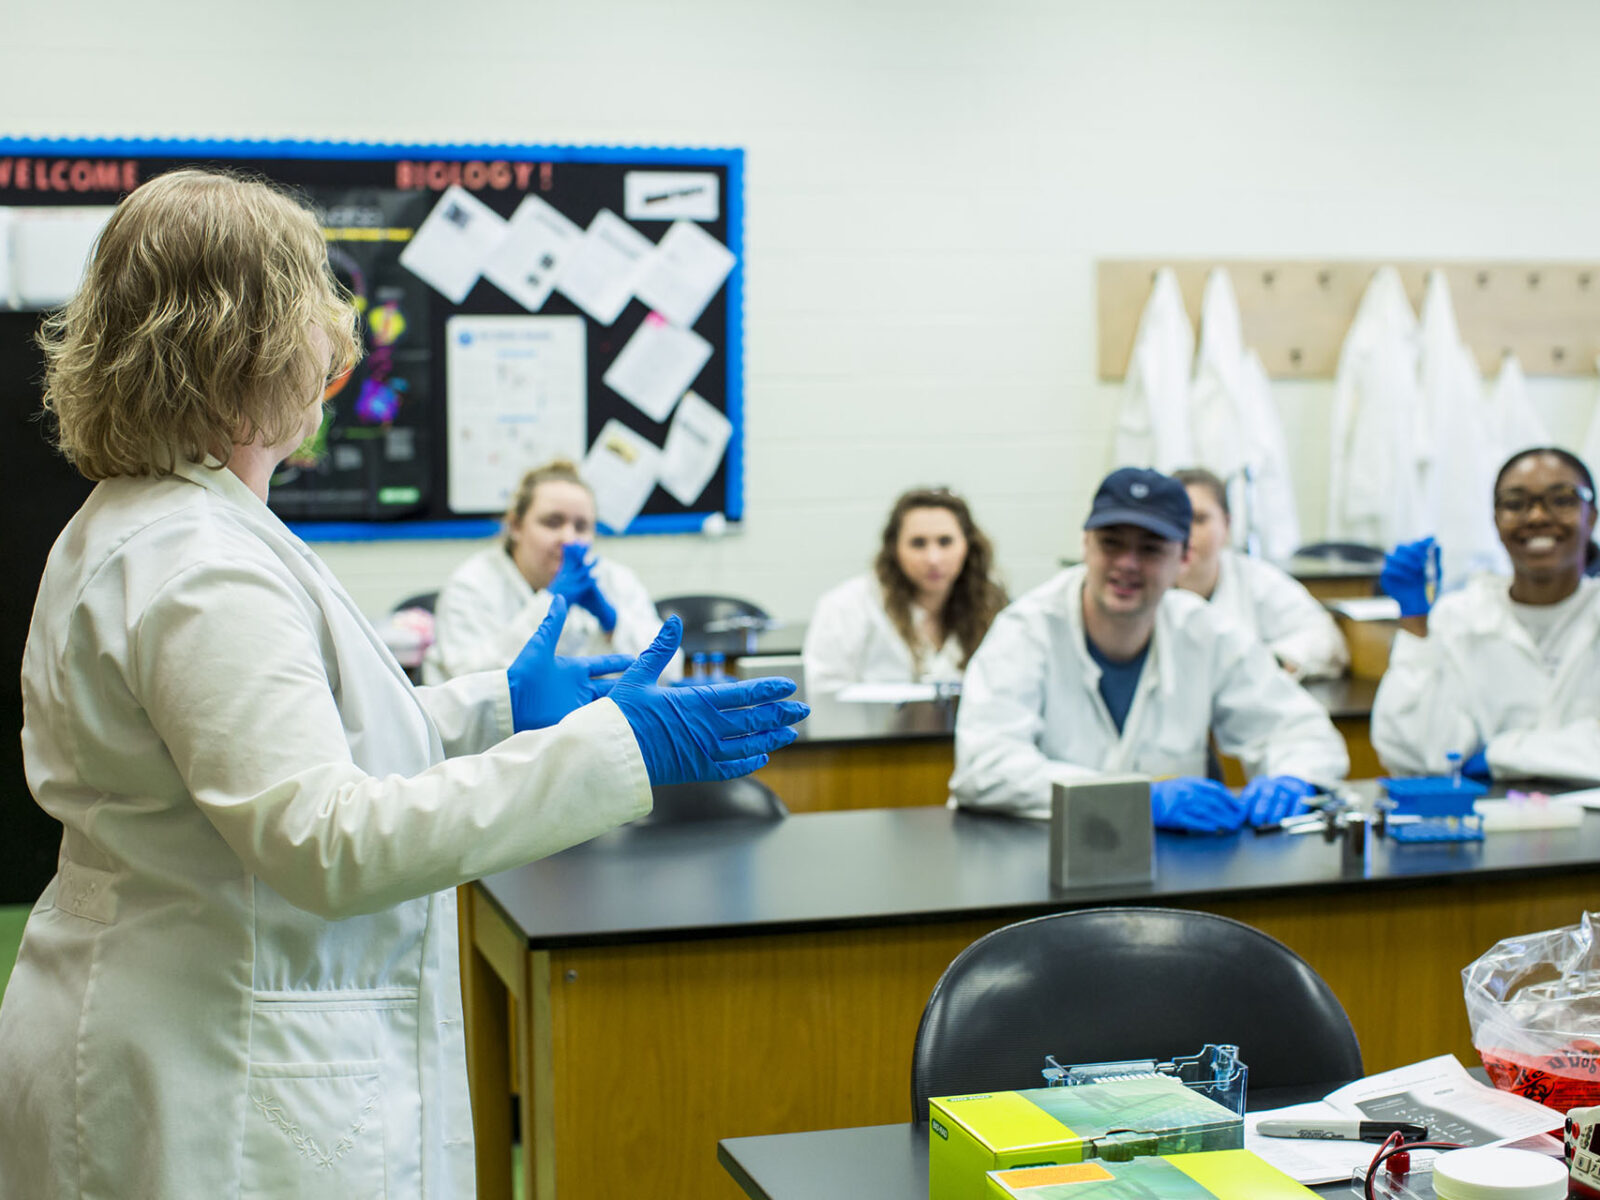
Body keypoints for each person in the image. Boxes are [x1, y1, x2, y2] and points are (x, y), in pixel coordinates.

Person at [0, 169, 806, 1199]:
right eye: (315, 317)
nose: (336, 353)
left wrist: (496, 708)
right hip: (208, 1067)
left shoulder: (171, 525)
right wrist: (614, 753)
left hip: (186, 1019)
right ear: (253, 344)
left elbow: (280, 745)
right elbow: (327, 837)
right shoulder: (197, 560)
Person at [950, 467, 1348, 830]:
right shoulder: (1026, 630)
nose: (1127, 563)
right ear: (1085, 544)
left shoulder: (1206, 632)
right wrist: (1136, 799)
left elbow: (1301, 732)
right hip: (1035, 858)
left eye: (1150, 549)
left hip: (1168, 870)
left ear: (1184, 558)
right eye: (1111, 544)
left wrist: (1295, 776)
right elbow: (985, 766)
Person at [1372, 447, 1600, 783]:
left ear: (1591, 516)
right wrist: (1415, 626)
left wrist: (1498, 754)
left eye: (1562, 499)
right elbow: (1414, 753)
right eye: (1515, 503)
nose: (1537, 516)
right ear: (1495, 520)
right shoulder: (1459, 618)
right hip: (1488, 824)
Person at [424, 458, 679, 683]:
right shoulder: (471, 586)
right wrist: (549, 606)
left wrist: (612, 622)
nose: (569, 538)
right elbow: (469, 687)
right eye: (552, 522)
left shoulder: (614, 580)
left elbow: (672, 670)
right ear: (515, 526)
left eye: (581, 526)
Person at [803, 486, 1007, 693]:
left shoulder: (989, 602)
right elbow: (825, 694)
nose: (933, 559)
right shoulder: (848, 605)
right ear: (895, 548)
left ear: (967, 545)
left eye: (945, 542)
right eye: (918, 543)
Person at [1172, 467, 1349, 681]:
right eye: (1176, 520)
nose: (1187, 533)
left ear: (1227, 525)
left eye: (1199, 519)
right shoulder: (1144, 585)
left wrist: (1268, 665)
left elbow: (1325, 637)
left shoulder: (1255, 580)